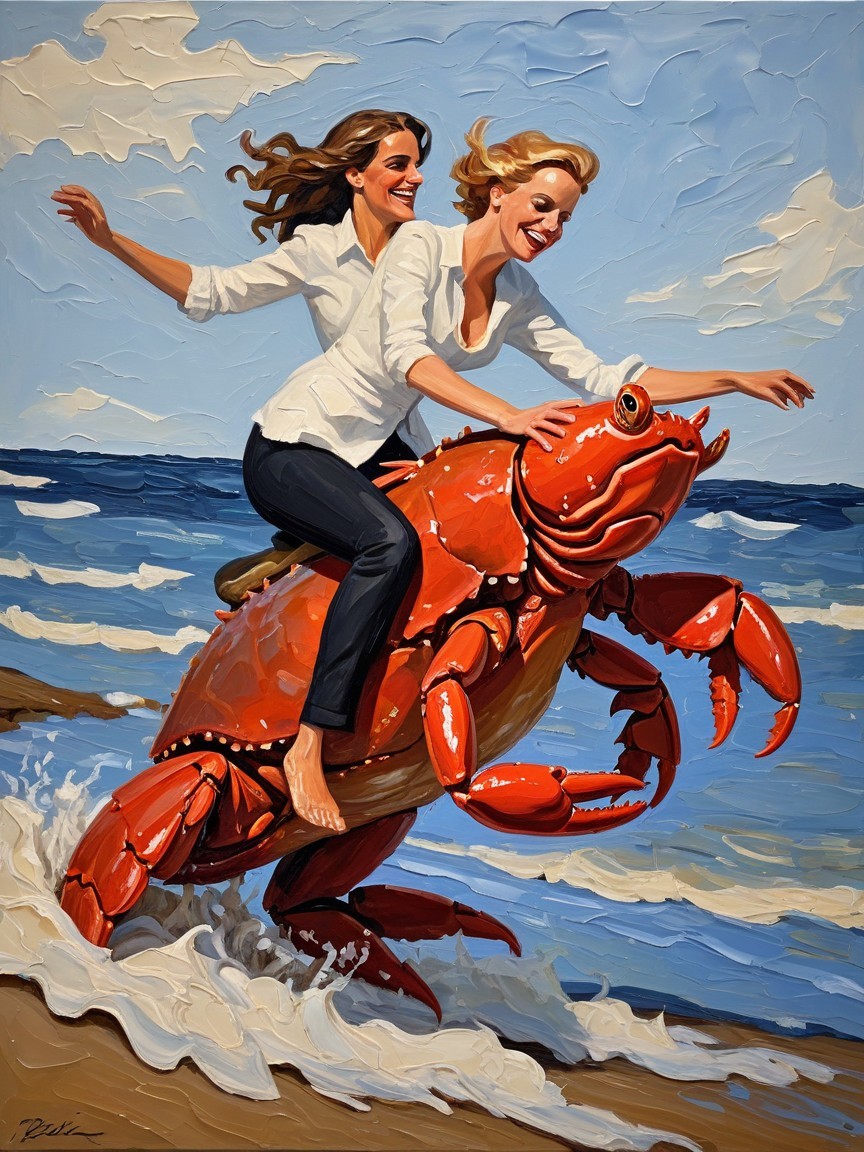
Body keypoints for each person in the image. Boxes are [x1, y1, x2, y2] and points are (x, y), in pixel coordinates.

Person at [243, 116, 814, 836]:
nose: (551, 226)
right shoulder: (421, 245)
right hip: (300, 440)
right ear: (497, 192)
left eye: (564, 217)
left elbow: (607, 379)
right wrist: (508, 416)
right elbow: (409, 360)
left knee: (451, 550)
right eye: (541, 206)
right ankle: (309, 743)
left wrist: (730, 379)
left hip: (383, 448)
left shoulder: (515, 291)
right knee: (389, 546)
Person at [51, 109, 435, 602]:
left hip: (398, 441)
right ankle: (303, 542)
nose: (416, 178)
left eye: (417, 165)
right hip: (325, 440)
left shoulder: (429, 250)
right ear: (355, 175)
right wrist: (111, 241)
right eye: (400, 165)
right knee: (392, 545)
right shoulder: (318, 249)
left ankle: (300, 544)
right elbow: (219, 291)